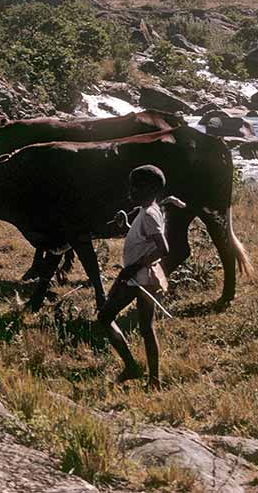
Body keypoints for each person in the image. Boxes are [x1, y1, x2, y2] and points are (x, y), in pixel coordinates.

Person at [98, 164, 170, 389]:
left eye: (135, 187)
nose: (130, 191)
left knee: (104, 317)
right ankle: (153, 380)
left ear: (149, 189)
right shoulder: (149, 210)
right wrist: (126, 226)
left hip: (138, 278)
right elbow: (144, 239)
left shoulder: (148, 214)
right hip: (143, 277)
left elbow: (162, 248)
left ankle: (132, 366)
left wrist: (132, 268)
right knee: (146, 328)